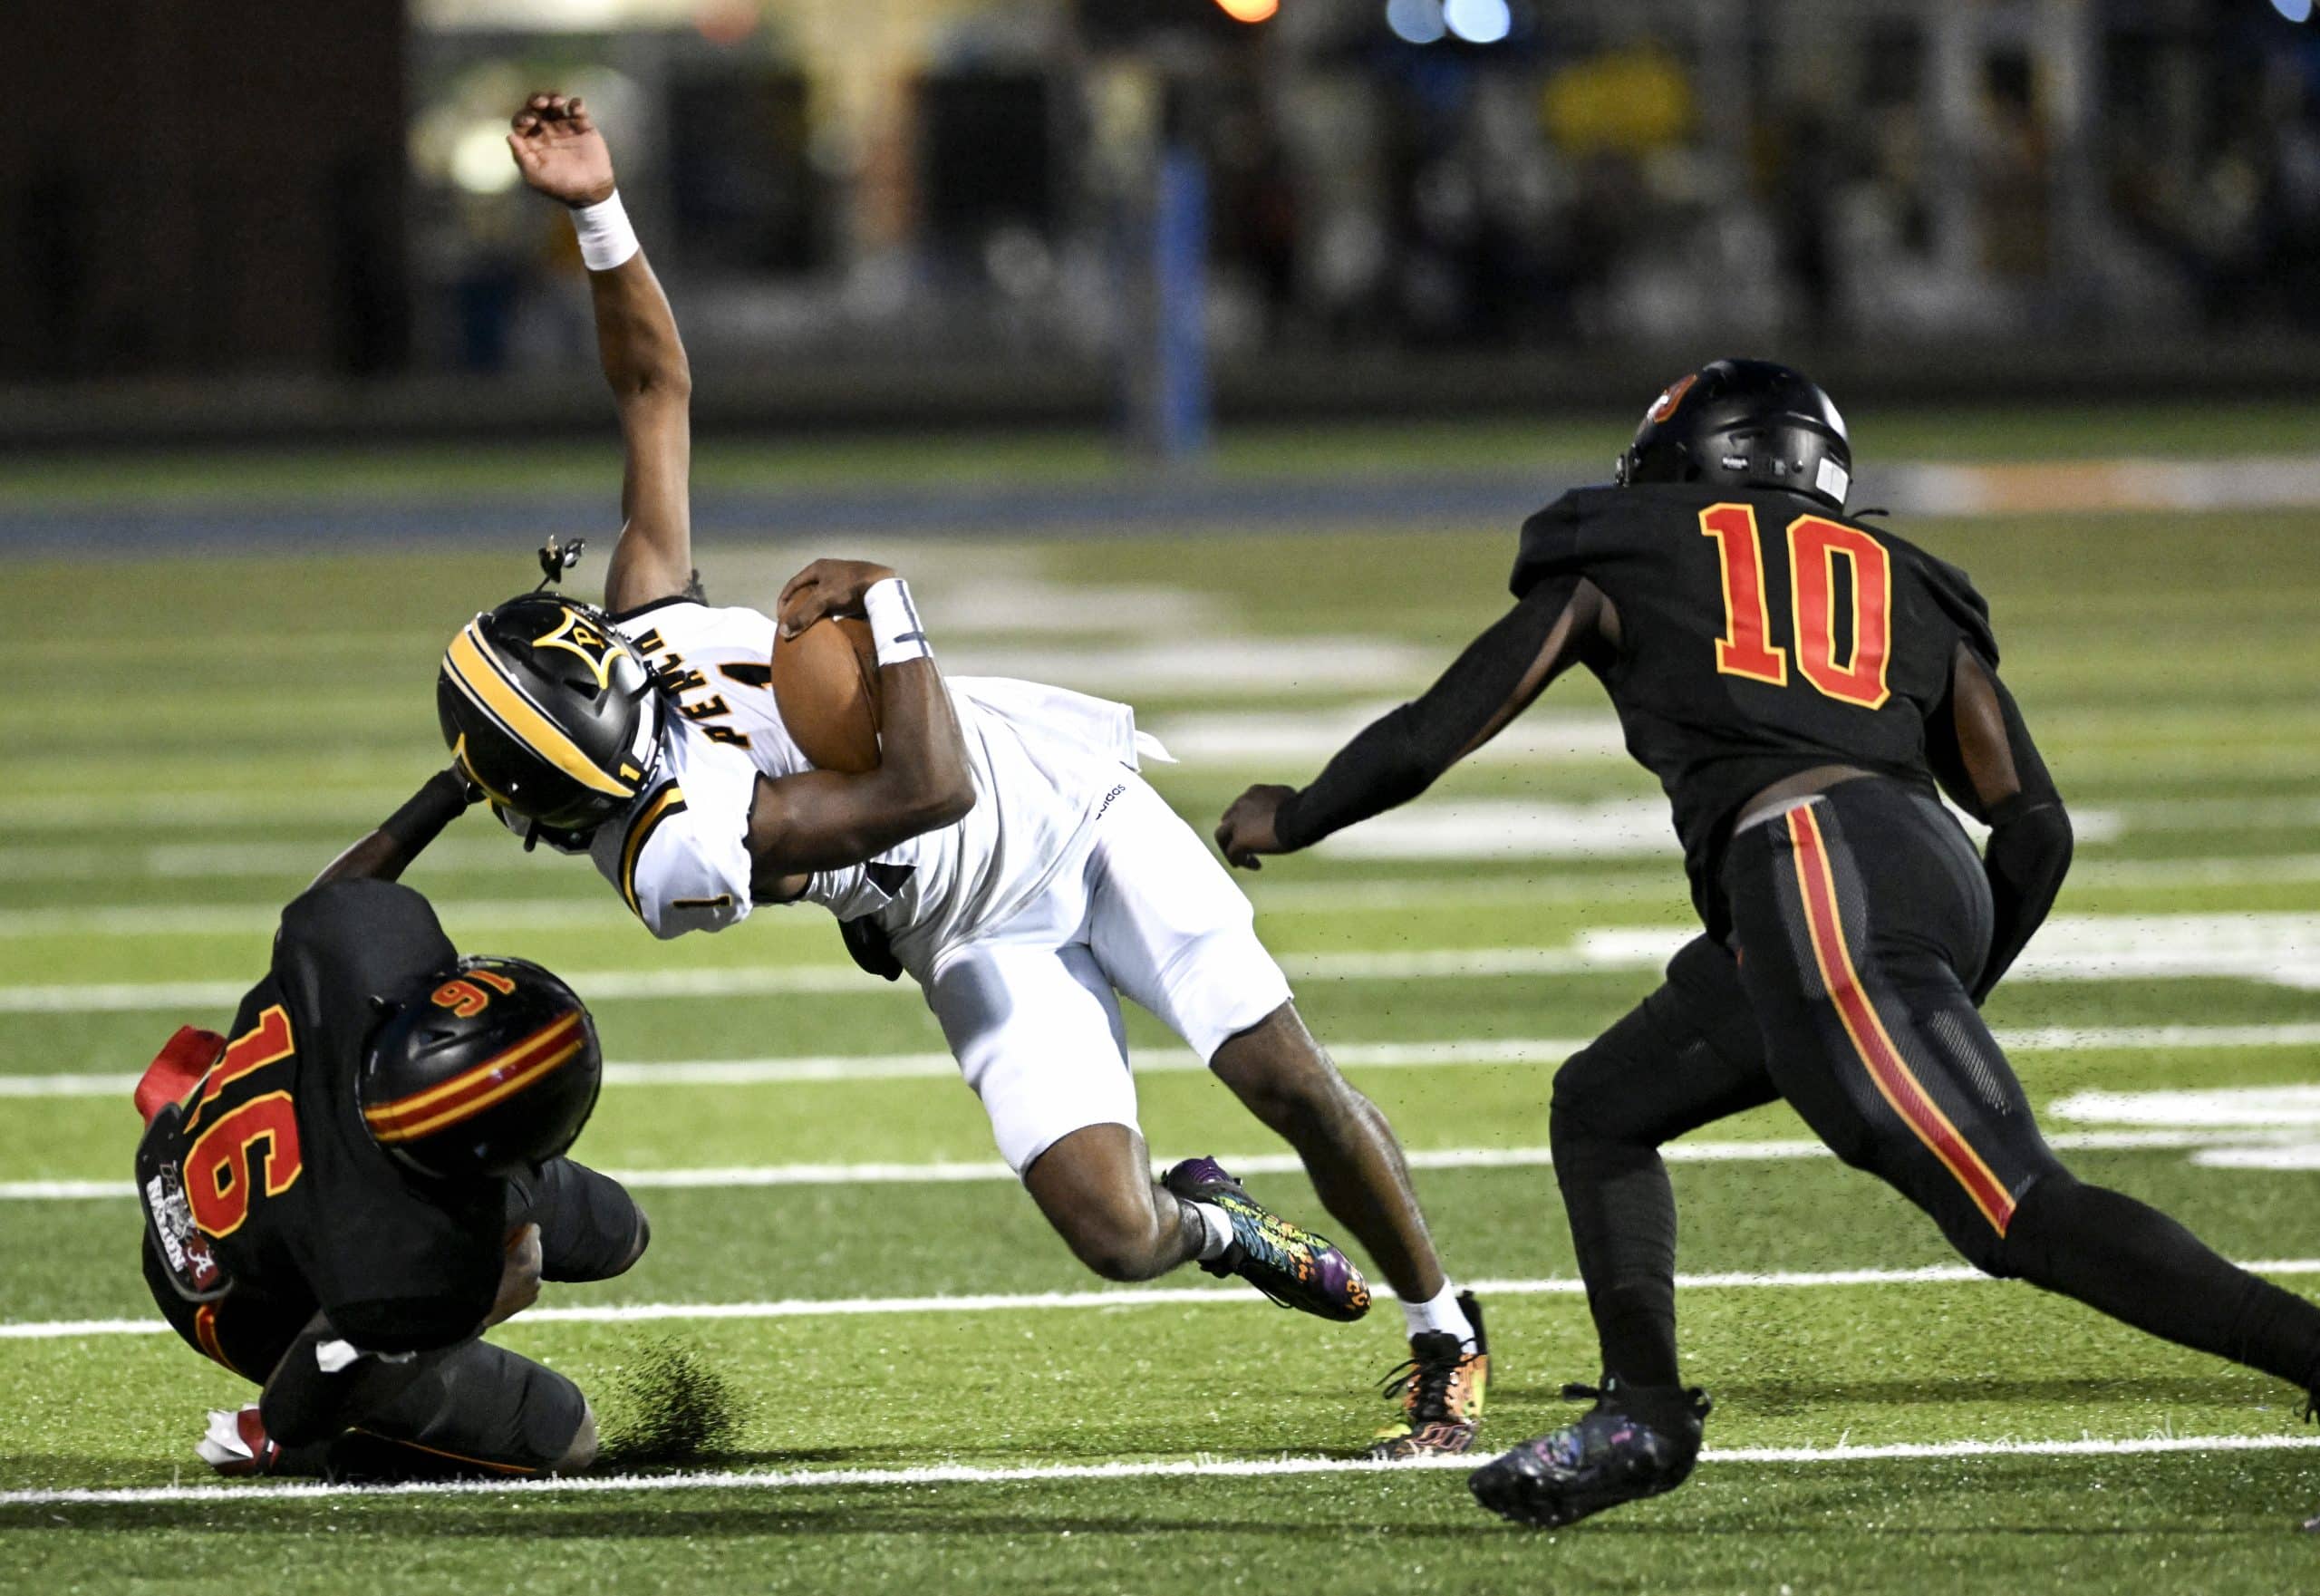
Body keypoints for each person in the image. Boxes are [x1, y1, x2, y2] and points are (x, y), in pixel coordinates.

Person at [420, 92, 1488, 1458]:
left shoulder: (648, 618)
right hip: (970, 909)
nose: (602, 652)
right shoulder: (675, 849)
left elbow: (653, 393)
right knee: (1116, 1233)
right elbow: (930, 792)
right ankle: (1214, 1219)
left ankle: (1445, 1332)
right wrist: (888, 605)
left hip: (1079, 810)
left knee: (1285, 1075)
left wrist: (596, 213)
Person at [1215, 359, 2320, 1523]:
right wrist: (1939, 982)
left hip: (1808, 866)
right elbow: (2034, 828)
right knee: (1602, 1105)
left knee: (2012, 1209)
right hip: (1891, 874)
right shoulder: (1898, 575)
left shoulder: (1631, 544)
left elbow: (1441, 725)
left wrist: (1296, 814)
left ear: (1689, 459)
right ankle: (1641, 1410)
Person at [135, 766, 648, 1480]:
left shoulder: (358, 963)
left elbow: (335, 899)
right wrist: (471, 1309)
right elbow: (302, 1399)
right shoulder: (398, 1261)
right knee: (565, 1435)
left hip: (233, 1166)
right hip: (241, 1302)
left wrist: (454, 787)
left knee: (618, 1229)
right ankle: (289, 1457)